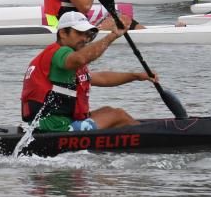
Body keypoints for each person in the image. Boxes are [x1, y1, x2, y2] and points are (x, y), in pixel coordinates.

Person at [20, 11, 157, 131]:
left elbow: (102, 78)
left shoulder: (64, 61)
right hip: (54, 126)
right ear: (63, 33)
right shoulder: (61, 53)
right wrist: (112, 36)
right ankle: (150, 141)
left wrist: (136, 76)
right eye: (79, 33)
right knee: (118, 115)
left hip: (54, 122)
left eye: (87, 34)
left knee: (109, 111)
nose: (85, 39)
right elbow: (81, 59)